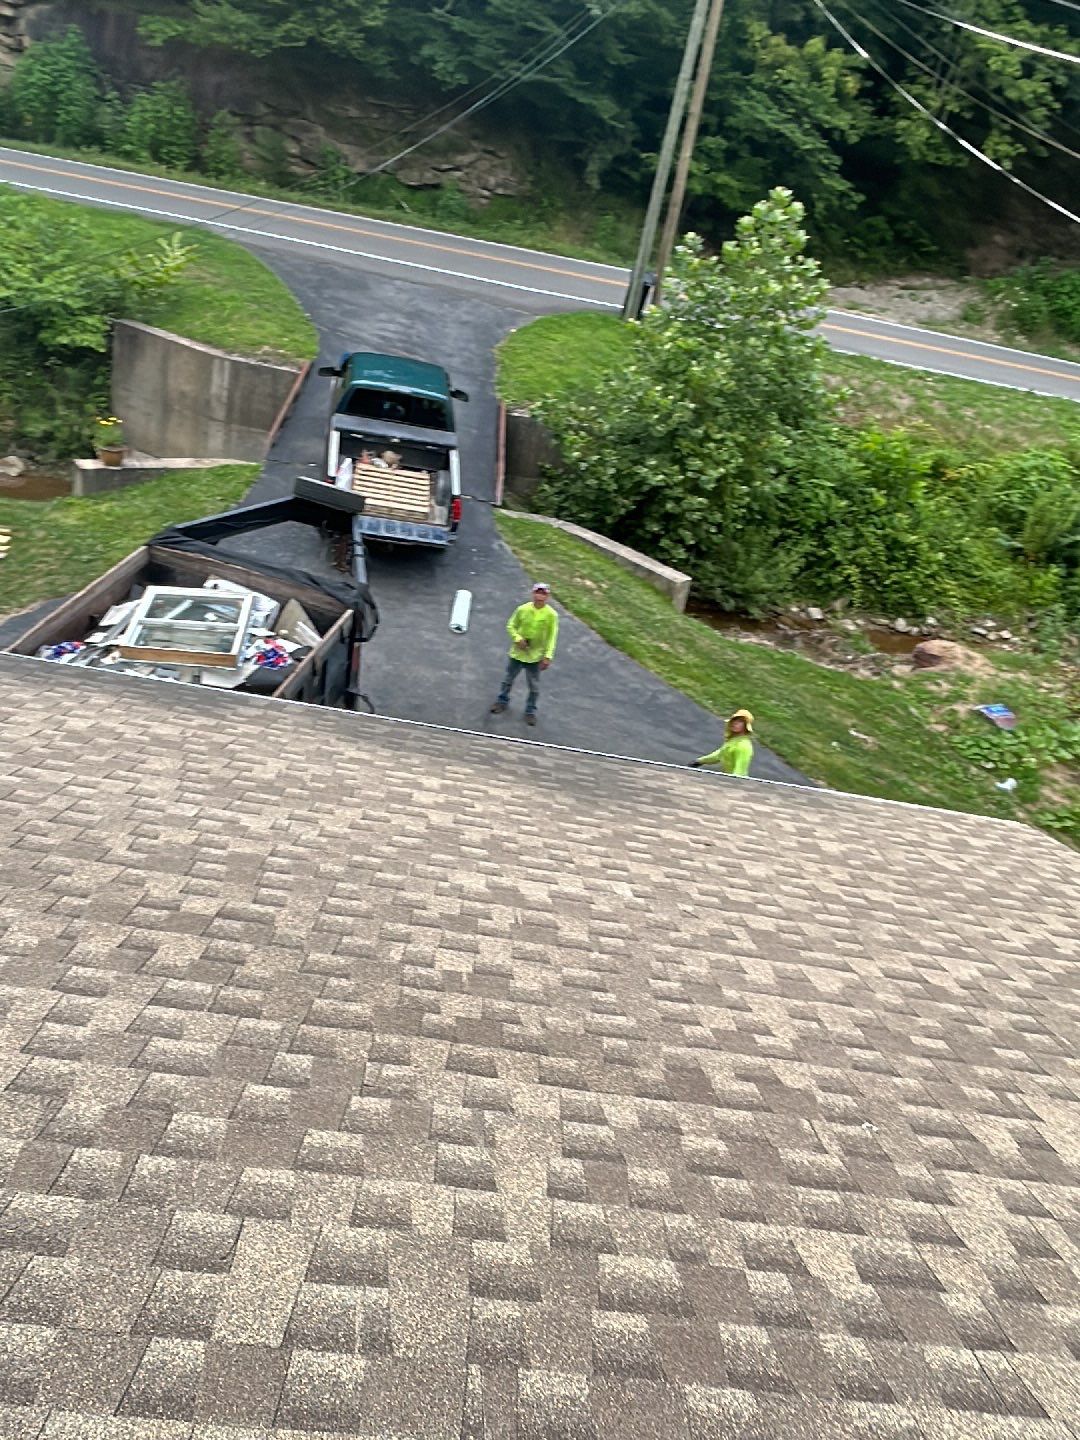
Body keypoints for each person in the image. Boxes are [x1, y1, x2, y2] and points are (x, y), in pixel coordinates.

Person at [491, 583, 559, 726]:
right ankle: (502, 700)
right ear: (533, 594)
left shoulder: (551, 615)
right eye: (538, 593)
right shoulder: (522, 609)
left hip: (535, 656)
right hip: (517, 654)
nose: (540, 596)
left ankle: (530, 711)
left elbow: (552, 637)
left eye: (543, 594)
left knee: (534, 686)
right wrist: (517, 639)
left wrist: (548, 656)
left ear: (547, 596)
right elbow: (511, 625)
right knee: (508, 679)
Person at [690, 709, 754, 776]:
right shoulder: (732, 741)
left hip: (735, 784)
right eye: (734, 720)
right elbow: (720, 754)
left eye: (740, 721)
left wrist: (731, 782)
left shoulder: (743, 746)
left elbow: (739, 772)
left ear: (746, 726)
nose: (735, 723)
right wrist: (699, 761)